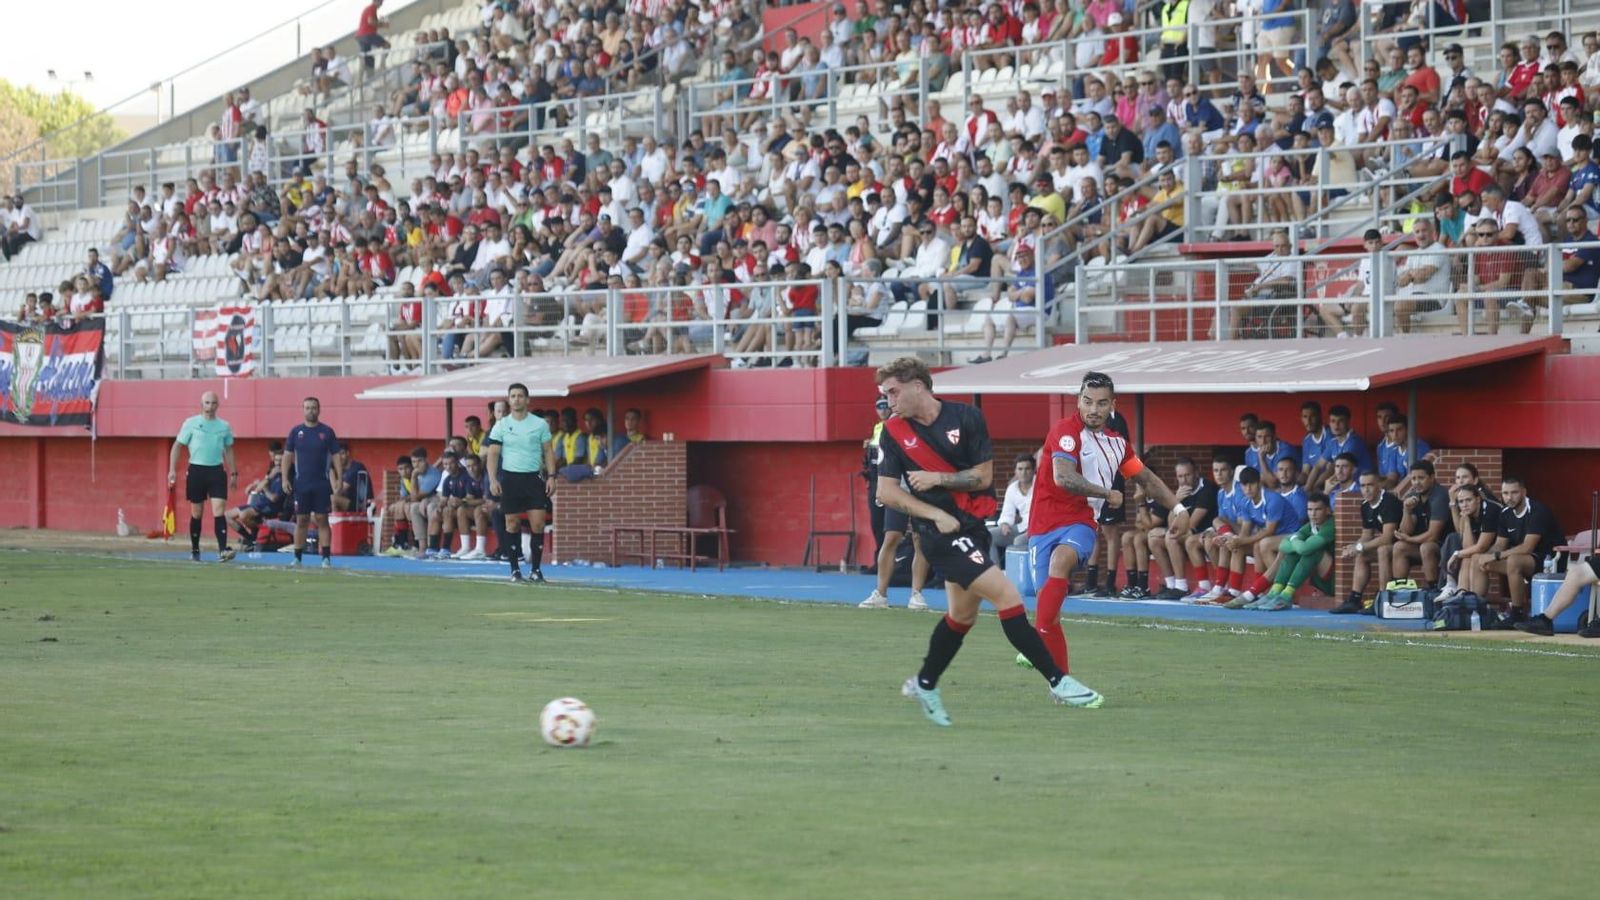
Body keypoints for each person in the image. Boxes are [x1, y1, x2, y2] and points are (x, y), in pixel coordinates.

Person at [873, 357, 1097, 726]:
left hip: (973, 526)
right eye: (885, 395)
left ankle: (925, 683)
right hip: (940, 535)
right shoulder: (892, 432)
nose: (889, 401)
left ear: (917, 385)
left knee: (962, 616)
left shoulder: (966, 418)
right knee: (1007, 597)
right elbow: (887, 491)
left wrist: (937, 479)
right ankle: (1059, 680)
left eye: (893, 392)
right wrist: (934, 514)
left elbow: (981, 478)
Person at [1026, 371, 1177, 676]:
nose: (1093, 409)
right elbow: (1063, 477)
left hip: (1080, 521)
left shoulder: (1118, 444)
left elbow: (1144, 477)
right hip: (1042, 525)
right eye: (1087, 401)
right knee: (1049, 613)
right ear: (1078, 401)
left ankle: (1031, 644)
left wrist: (1178, 507)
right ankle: (1061, 682)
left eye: (1101, 403)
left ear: (1113, 405)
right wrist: (1107, 492)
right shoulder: (1065, 431)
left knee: (1061, 561)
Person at [861, 397, 933, 610]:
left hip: (922, 488)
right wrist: (883, 488)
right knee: (891, 536)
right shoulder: (889, 427)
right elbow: (884, 459)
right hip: (897, 489)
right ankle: (880, 594)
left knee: (920, 539)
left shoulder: (926, 423)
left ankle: (917, 594)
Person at [485, 383, 557, 583]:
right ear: (509, 400)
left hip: (533, 478)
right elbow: (493, 454)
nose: (516, 399)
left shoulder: (540, 424)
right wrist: (492, 479)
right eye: (513, 396)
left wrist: (551, 476)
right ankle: (515, 570)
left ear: (527, 400)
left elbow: (548, 451)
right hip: (510, 479)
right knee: (512, 523)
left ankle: (536, 570)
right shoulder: (501, 425)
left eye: (520, 396)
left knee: (538, 524)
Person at [1472, 476, 1562, 628]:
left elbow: (1528, 547)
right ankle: (1476, 611)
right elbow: (1500, 544)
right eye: (1505, 493)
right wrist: (1487, 556)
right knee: (1477, 559)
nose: (1509, 497)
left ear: (1524, 492)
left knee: (1514, 561)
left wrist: (1496, 555)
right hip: (1524, 561)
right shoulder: (1505, 513)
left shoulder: (1537, 510)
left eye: (1514, 493)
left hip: (1550, 560)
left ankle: (1517, 614)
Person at [167, 391, 239, 563]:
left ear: (218, 405)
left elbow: (228, 450)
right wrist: (172, 469)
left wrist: (234, 472)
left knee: (219, 510)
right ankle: (195, 549)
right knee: (197, 513)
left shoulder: (224, 426)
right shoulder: (191, 423)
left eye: (213, 403)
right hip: (197, 470)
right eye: (207, 403)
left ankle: (222, 550)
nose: (210, 406)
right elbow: (177, 446)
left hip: (216, 471)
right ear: (201, 404)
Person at [1247, 492, 1336, 610]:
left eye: (1318, 510)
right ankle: (1275, 592)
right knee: (1292, 552)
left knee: (1312, 551)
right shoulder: (1311, 525)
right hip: (1319, 579)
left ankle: (1287, 595)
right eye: (1309, 510)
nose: (1313, 514)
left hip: (1334, 581)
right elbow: (1283, 546)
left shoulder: (1330, 525)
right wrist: (1297, 543)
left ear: (1328, 510)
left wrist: (1294, 540)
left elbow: (1304, 549)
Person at [1331, 471, 1402, 614]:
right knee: (1362, 555)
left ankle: (1383, 600)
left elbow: (1388, 537)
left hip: (1404, 543)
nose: (1366, 489)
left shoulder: (1389, 501)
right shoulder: (1365, 506)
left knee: (1381, 550)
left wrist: (1359, 546)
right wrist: (1354, 547)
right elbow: (1366, 535)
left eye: (1370, 485)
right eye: (1363, 486)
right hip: (1391, 545)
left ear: (1379, 485)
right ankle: (1354, 600)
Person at [283, 396, 341, 569]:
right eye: (307, 408)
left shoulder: (327, 432)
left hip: (321, 484)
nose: (311, 411)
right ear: (303, 410)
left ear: (319, 409)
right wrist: (285, 478)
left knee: (322, 519)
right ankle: (297, 558)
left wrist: (339, 478)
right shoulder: (295, 432)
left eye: (314, 407)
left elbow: (336, 456)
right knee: (301, 520)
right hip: (302, 484)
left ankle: (326, 558)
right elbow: (287, 456)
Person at [1391, 460, 1452, 587]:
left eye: (1421, 478)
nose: (1416, 482)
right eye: (1413, 479)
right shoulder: (1413, 495)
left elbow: (1433, 536)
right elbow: (1405, 530)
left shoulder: (1440, 496)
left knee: (1427, 547)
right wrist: (1406, 510)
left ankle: (1433, 589)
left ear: (1432, 477)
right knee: (1399, 547)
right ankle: (1399, 590)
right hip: (1421, 544)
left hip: (1445, 547)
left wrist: (1409, 539)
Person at [227, 442, 286, 552]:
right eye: (276, 460)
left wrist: (263, 487)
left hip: (270, 507)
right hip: (260, 504)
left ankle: (256, 536)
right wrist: (256, 484)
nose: (277, 463)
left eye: (280, 461)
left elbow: (272, 497)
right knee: (227, 516)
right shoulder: (272, 471)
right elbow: (260, 485)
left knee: (244, 515)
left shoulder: (285, 477)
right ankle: (251, 539)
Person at [990, 455, 1035, 569]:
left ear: (1033, 470)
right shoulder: (1012, 488)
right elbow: (1007, 512)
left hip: (1038, 528)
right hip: (1022, 527)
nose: (1023, 472)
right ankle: (997, 578)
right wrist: (1005, 523)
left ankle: (1018, 581)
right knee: (989, 535)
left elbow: (1046, 513)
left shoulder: (1041, 486)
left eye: (1027, 469)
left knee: (1019, 541)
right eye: (1020, 469)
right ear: (1015, 471)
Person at [332, 443, 369, 512]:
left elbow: (338, 491)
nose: (339, 457)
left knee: (333, 499)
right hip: (347, 502)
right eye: (337, 455)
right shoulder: (343, 471)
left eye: (342, 454)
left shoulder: (356, 467)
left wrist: (330, 470)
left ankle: (335, 522)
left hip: (358, 505)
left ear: (347, 453)